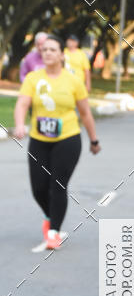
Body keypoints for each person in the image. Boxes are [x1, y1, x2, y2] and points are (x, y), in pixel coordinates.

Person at [14, 34, 101, 249]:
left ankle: (54, 231)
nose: (48, 53)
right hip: (39, 140)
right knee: (38, 188)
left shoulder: (73, 81)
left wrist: (94, 140)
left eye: (52, 50)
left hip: (67, 139)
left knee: (58, 185)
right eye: (44, 50)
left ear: (62, 55)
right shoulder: (33, 78)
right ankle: (49, 215)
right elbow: (22, 104)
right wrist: (19, 124)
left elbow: (85, 113)